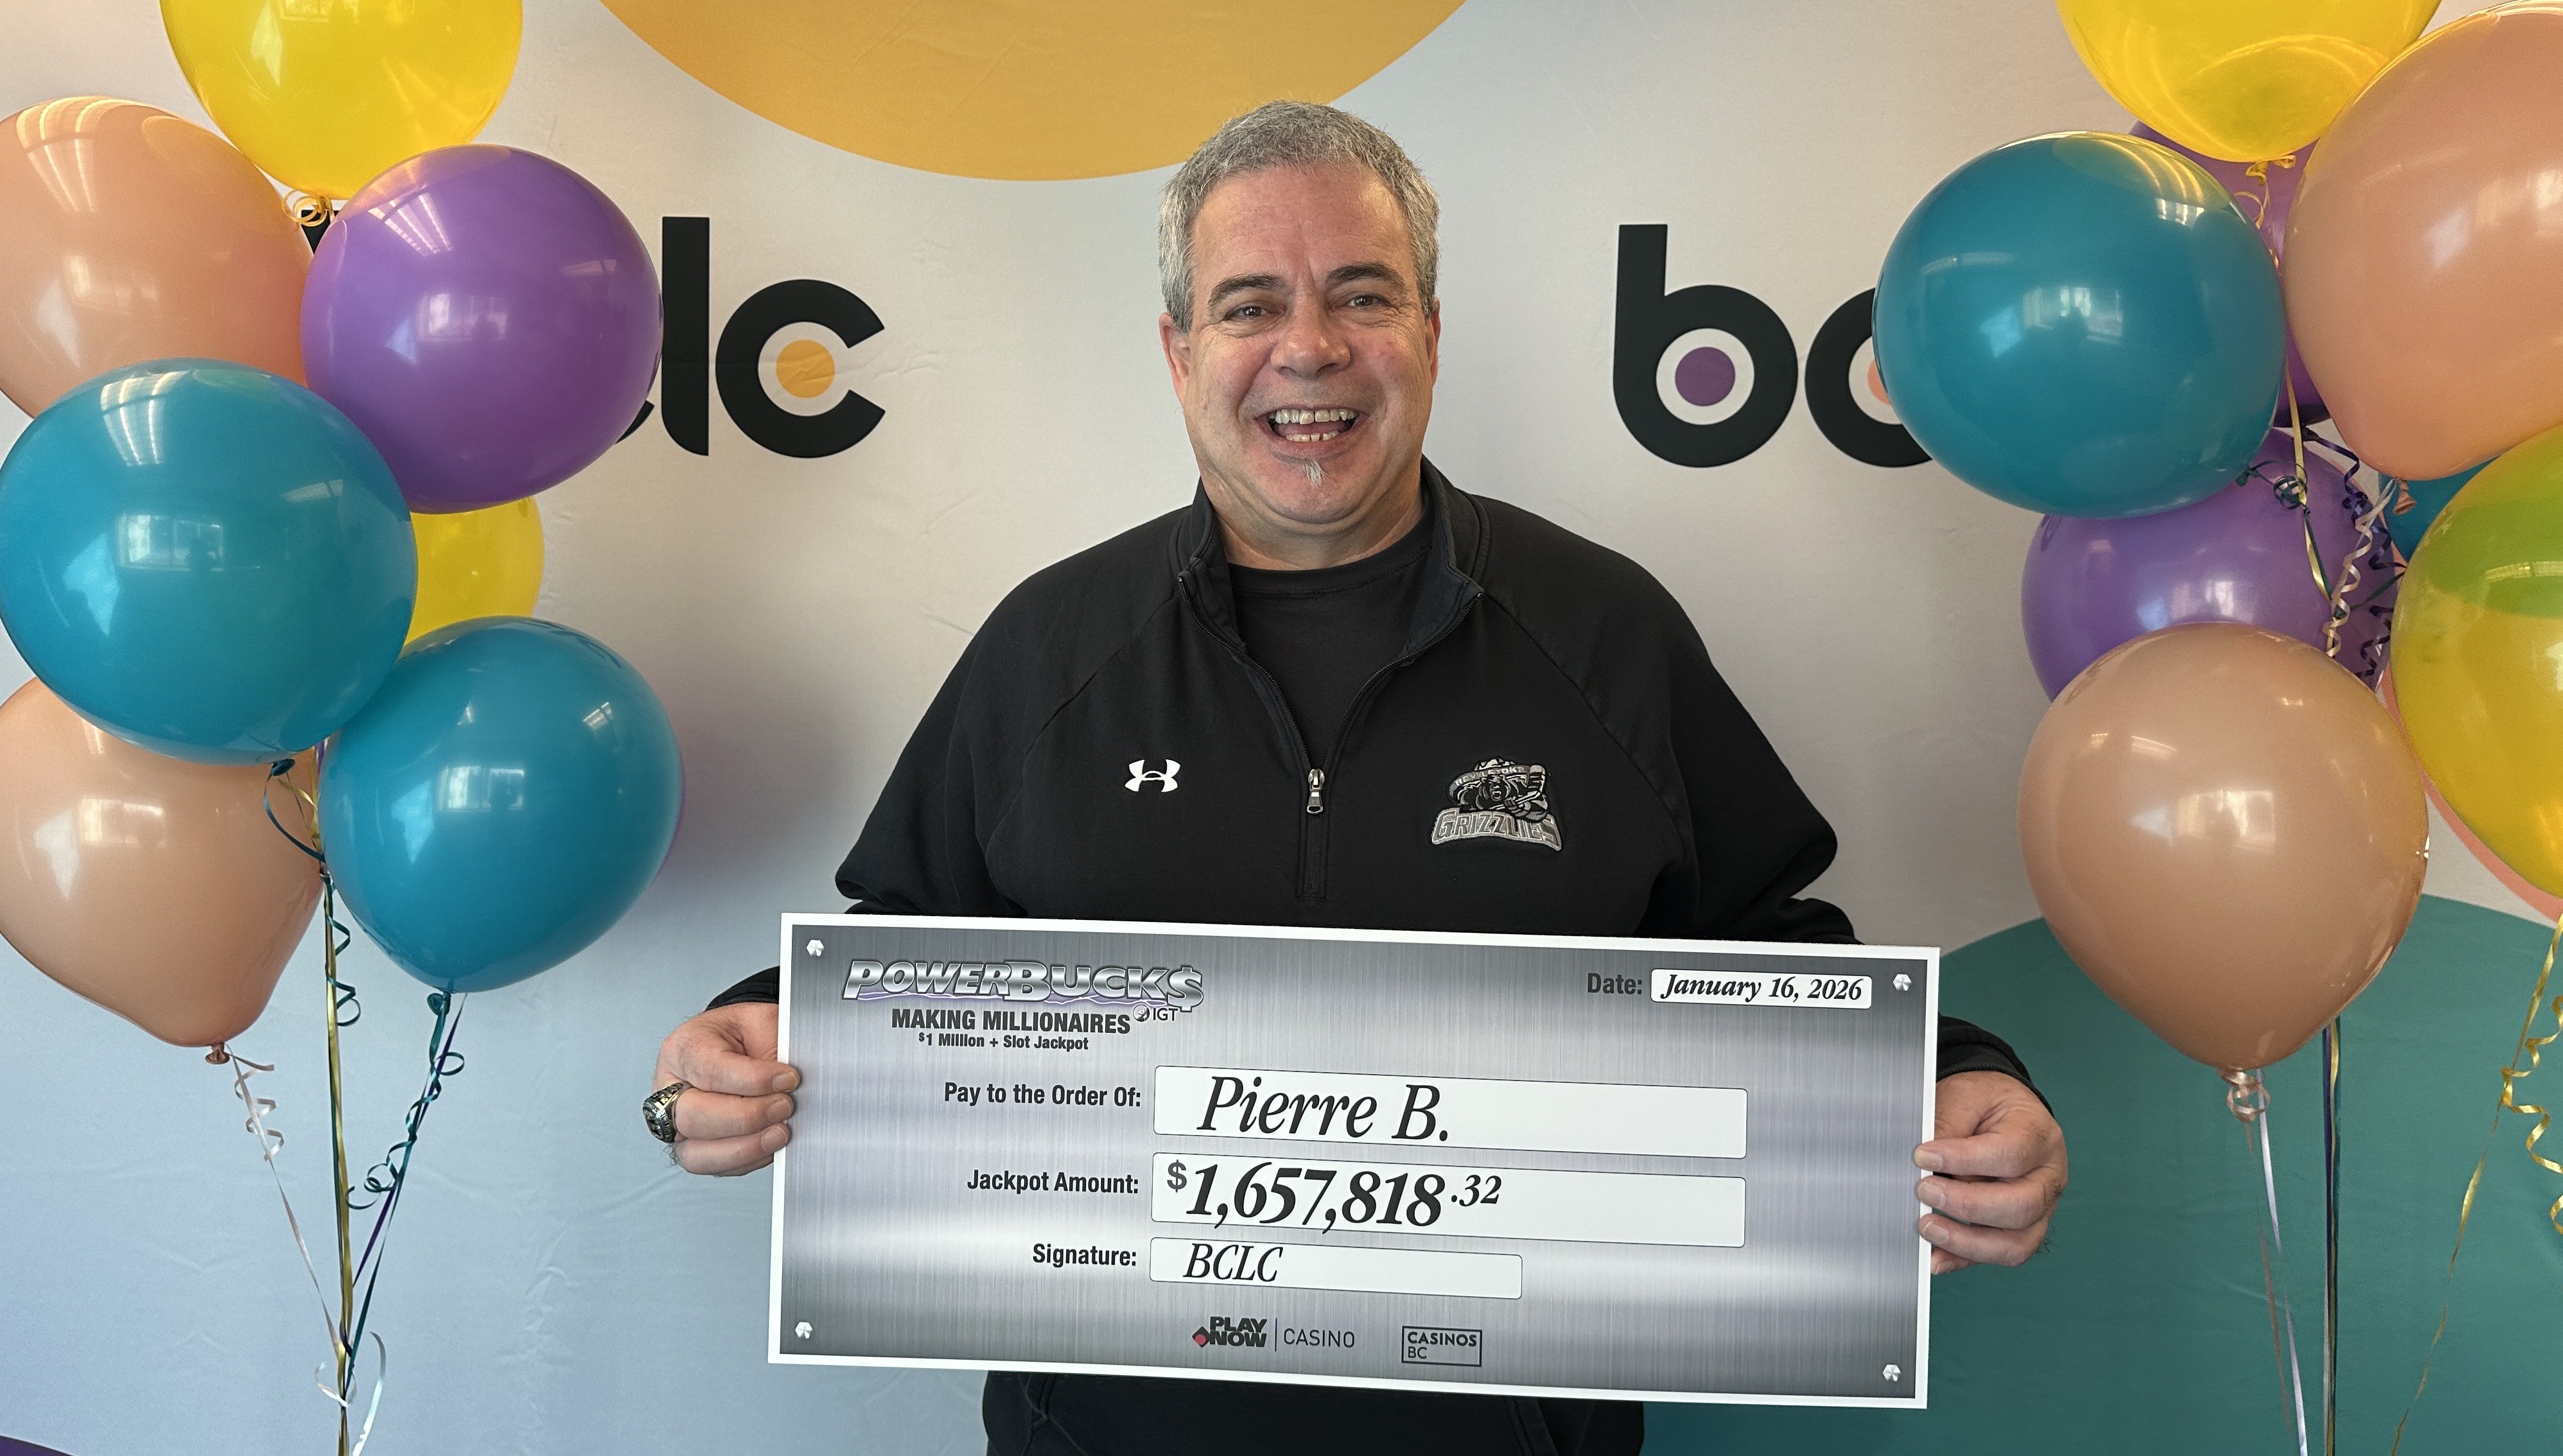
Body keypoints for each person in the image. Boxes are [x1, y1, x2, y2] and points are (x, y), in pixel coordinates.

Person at [649, 101, 2067, 1456]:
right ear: (1178, 348)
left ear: (1432, 335)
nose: (1309, 348)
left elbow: (1769, 953)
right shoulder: (1049, 651)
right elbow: (907, 952)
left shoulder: (1605, 635)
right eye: (1250, 303)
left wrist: (1955, 1078)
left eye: (1363, 294)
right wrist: (743, 1039)